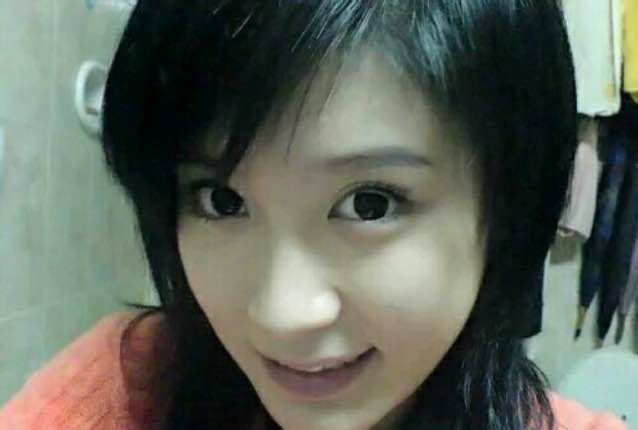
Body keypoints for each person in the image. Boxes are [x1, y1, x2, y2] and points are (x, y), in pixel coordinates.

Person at [0, 1, 630, 429]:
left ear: (507, 205)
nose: (283, 313)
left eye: (369, 204)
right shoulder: (122, 390)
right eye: (221, 201)